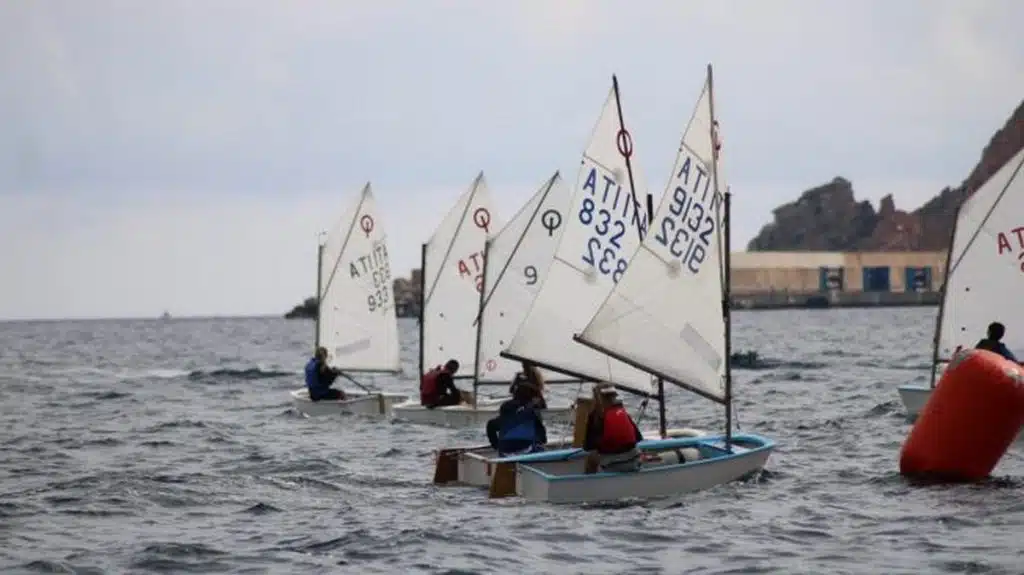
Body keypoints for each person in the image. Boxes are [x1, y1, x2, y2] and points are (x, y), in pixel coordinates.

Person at [583, 385, 644, 473]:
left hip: (612, 466)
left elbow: (587, 447)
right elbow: (638, 438)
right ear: (614, 396)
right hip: (635, 463)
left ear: (596, 398)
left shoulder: (595, 417)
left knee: (591, 456)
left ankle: (588, 484)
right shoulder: (621, 411)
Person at [488, 378, 547, 456]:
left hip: (504, 452)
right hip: (526, 450)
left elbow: (490, 425)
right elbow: (542, 435)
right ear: (532, 398)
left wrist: (496, 446)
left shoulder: (506, 408)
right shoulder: (532, 409)